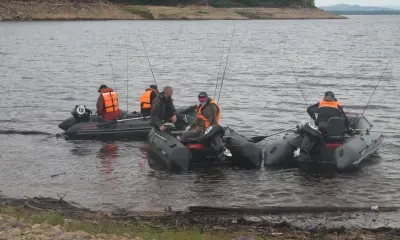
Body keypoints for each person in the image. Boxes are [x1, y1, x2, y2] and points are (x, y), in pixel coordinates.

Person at [296, 91, 350, 162]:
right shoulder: (337, 105)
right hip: (333, 130)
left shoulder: (321, 103)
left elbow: (309, 109)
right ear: (333, 97)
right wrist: (347, 127)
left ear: (325, 97)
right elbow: (344, 118)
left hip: (321, 128)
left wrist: (314, 119)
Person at [184, 92, 231, 158]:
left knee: (185, 135)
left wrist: (204, 130)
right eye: (200, 99)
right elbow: (199, 119)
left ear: (206, 98)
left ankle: (185, 152)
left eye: (203, 98)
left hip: (206, 128)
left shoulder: (211, 107)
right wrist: (191, 126)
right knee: (187, 131)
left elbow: (213, 122)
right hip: (200, 126)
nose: (202, 100)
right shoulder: (202, 105)